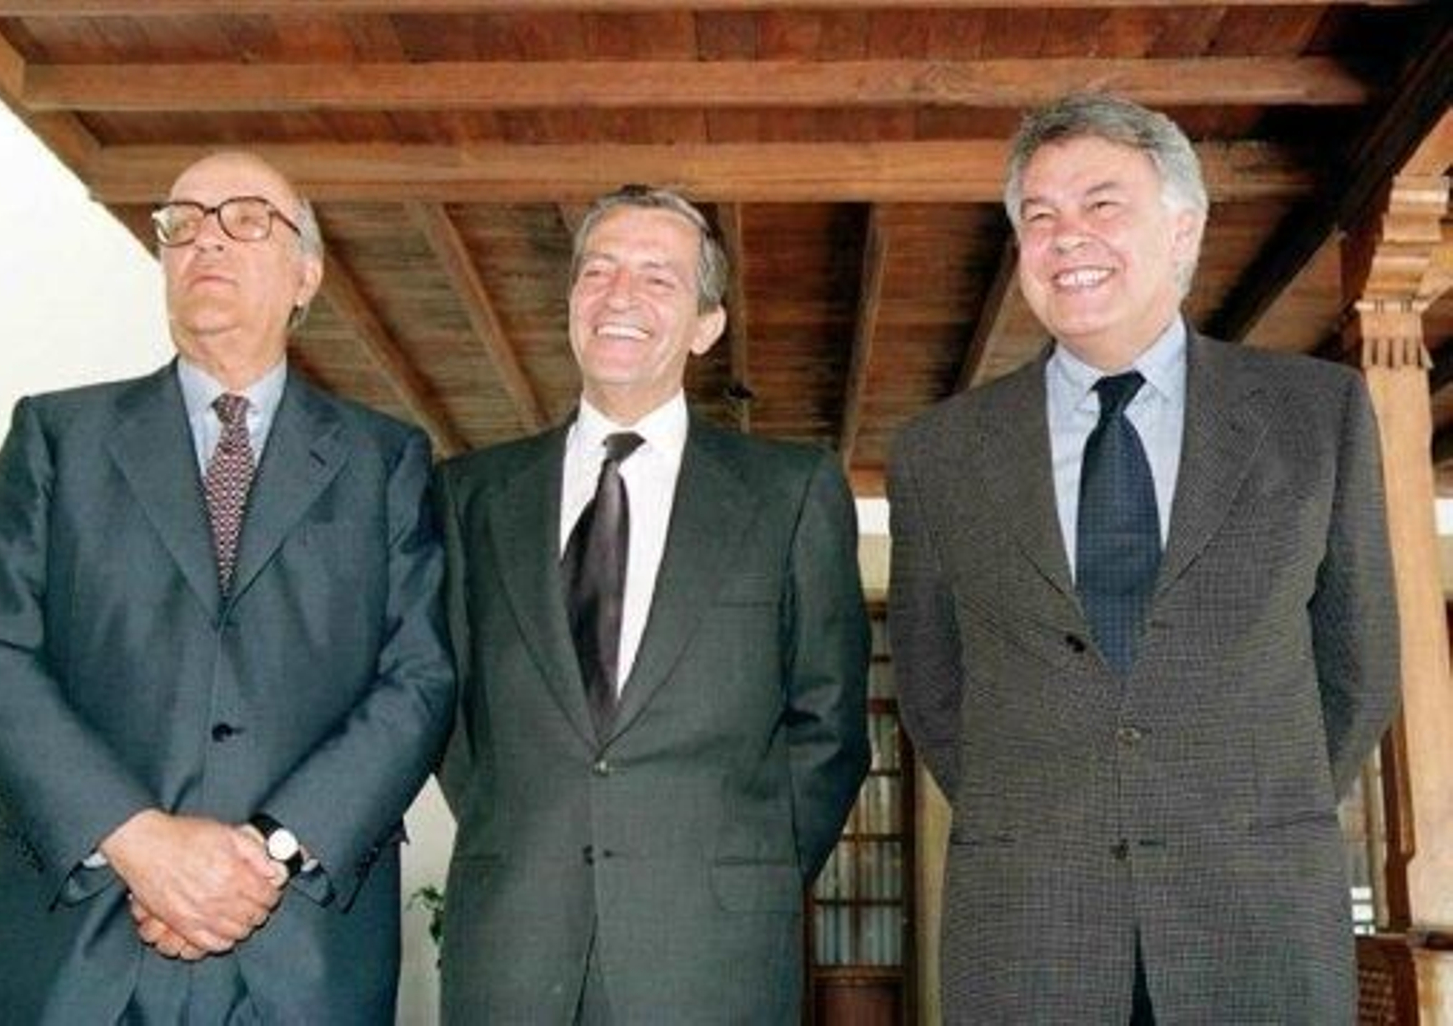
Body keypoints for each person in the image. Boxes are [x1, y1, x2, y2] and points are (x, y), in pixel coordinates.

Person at [887, 93, 1401, 1023]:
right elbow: (933, 691)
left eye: (1100, 203)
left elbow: (1358, 671)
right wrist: (1057, 813)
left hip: (1256, 922)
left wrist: (1231, 802)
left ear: (1183, 226)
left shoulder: (1315, 417)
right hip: (1030, 934)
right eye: (1037, 217)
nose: (1065, 236)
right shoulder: (939, 452)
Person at [0, 150, 455, 1024]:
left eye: (246, 218)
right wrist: (139, 842)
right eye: (181, 223)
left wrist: (263, 856)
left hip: (301, 950)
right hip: (74, 945)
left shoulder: (387, 462)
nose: (205, 242)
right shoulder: (57, 437)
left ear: (307, 275)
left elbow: (419, 681)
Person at [435, 185, 870, 1023]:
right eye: (598, 272)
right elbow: (453, 720)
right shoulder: (470, 496)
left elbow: (830, 723)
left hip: (715, 957)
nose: (620, 296)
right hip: (513, 946)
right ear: (570, 305)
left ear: (707, 325)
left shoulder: (791, 492)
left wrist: (751, 867)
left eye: (658, 278)